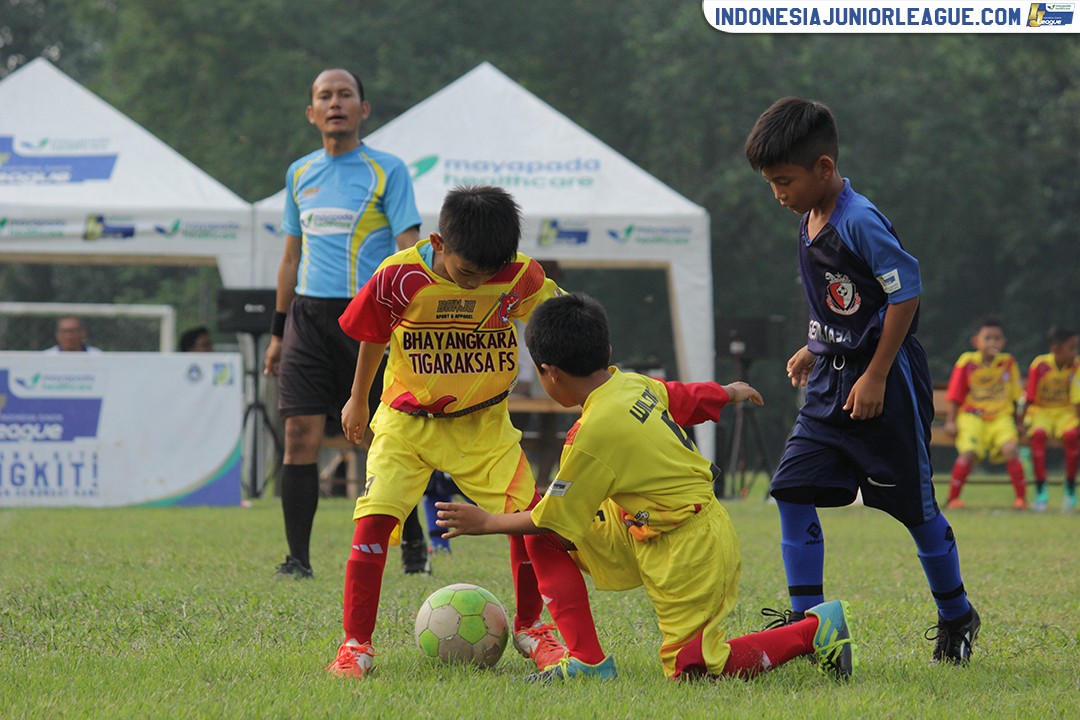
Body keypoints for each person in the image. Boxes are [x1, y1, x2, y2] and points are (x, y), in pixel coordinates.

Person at [436, 293, 857, 683]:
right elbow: (676, 396)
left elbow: (556, 516)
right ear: (608, 354)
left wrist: (487, 521)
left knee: (694, 670)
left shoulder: (591, 435)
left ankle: (816, 630)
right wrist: (725, 392)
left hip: (690, 546)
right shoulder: (629, 382)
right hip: (644, 526)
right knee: (544, 539)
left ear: (549, 374)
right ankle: (587, 663)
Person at [325, 185, 599, 681]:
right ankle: (356, 645)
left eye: (489, 275)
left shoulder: (521, 277)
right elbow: (373, 333)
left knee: (532, 514)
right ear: (438, 243)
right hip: (405, 424)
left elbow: (557, 324)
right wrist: (357, 398)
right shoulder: (399, 275)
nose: (478, 286)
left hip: (484, 426)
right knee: (373, 523)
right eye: (468, 273)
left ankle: (532, 627)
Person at [743, 96, 980, 665]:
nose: (778, 193)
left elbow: (905, 291)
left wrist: (874, 375)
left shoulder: (858, 219)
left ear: (824, 169)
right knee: (791, 491)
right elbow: (848, 302)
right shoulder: (809, 216)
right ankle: (811, 633)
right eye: (770, 182)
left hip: (886, 385)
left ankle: (956, 614)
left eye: (784, 180)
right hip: (829, 383)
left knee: (916, 511)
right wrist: (815, 345)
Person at [263, 67, 421, 580]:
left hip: (367, 317)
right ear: (311, 113)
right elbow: (290, 258)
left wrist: (411, 319)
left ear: (363, 109)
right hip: (307, 317)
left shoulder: (387, 170)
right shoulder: (299, 173)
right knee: (299, 434)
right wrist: (277, 331)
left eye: (345, 95)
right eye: (324, 96)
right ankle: (297, 560)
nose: (335, 103)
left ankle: (413, 543)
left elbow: (408, 248)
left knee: (384, 438)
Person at [943, 317, 1027, 510]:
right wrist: (951, 421)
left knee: (1011, 449)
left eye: (997, 338)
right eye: (988, 338)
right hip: (972, 416)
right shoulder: (966, 361)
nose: (992, 343)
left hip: (1001, 417)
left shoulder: (1008, 363)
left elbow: (1016, 397)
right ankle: (953, 499)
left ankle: (1021, 500)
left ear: (1003, 342)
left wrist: (1019, 422)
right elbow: (955, 394)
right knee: (969, 452)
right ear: (976, 341)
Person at [1023, 325, 1079, 512]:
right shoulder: (1039, 365)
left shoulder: (1077, 367)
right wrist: (1022, 422)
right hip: (1042, 412)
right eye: (1071, 348)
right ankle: (1041, 490)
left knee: (1072, 435)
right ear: (1056, 348)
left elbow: (1077, 400)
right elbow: (1030, 397)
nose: (1075, 352)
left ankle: (1070, 489)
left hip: (1065, 412)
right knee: (1038, 435)